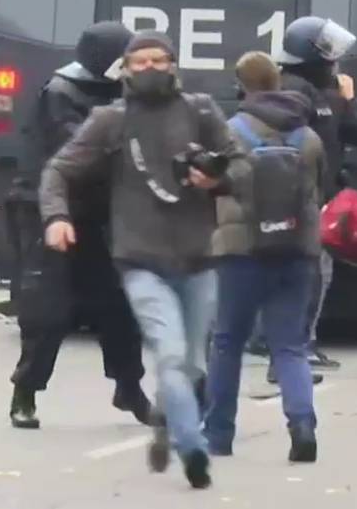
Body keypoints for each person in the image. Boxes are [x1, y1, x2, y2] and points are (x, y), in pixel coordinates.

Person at [39, 30, 244, 489]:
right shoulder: (110, 120)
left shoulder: (201, 111)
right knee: (170, 355)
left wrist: (217, 180)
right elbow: (58, 169)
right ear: (125, 69)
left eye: (158, 60)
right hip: (140, 258)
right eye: (139, 62)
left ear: (173, 64)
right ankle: (192, 448)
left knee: (192, 364)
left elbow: (243, 164)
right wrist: (56, 216)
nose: (149, 68)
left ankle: (167, 423)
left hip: (199, 259)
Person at [6, 21, 151, 431]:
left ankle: (129, 387)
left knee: (119, 305)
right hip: (52, 212)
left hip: (102, 213)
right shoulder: (61, 92)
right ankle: (25, 392)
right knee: (48, 311)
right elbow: (74, 150)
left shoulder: (124, 92)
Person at [204, 51, 323, 463]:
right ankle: (302, 424)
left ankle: (219, 433)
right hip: (296, 248)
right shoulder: (307, 136)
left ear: (242, 86)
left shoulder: (231, 132)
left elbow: (215, 185)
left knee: (227, 342)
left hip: (242, 250)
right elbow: (316, 189)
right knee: (289, 345)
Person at [250, 16, 357, 372]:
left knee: (312, 271)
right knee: (311, 273)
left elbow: (356, 132)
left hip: (315, 196)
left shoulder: (316, 90)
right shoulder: (293, 89)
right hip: (298, 199)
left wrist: (349, 101)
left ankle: (283, 341)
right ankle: (292, 344)